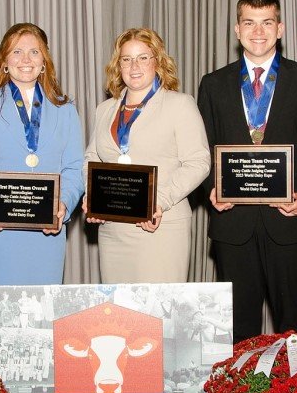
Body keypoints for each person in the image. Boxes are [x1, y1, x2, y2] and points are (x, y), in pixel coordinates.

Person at [197, 0, 297, 343]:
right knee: (238, 330)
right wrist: (212, 187)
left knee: (296, 330)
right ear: (237, 30)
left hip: (290, 221)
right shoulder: (212, 84)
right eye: (249, 23)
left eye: (267, 22)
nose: (259, 31)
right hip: (233, 225)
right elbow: (201, 152)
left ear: (280, 28)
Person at [0, 23, 84, 329]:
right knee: (1, 330)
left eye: (34, 51)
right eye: (17, 51)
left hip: (46, 237)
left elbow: (73, 169)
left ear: (44, 62)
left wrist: (63, 206)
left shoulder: (65, 109)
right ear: (4, 60)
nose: (25, 58)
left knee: (41, 330)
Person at [83, 28, 210, 283]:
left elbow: (199, 162)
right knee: (120, 318)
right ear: (118, 66)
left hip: (161, 226)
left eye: (143, 57)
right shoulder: (104, 109)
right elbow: (91, 158)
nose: (134, 66)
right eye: (126, 59)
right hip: (113, 230)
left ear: (158, 62)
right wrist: (92, 197)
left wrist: (159, 201)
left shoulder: (180, 104)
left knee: (160, 315)